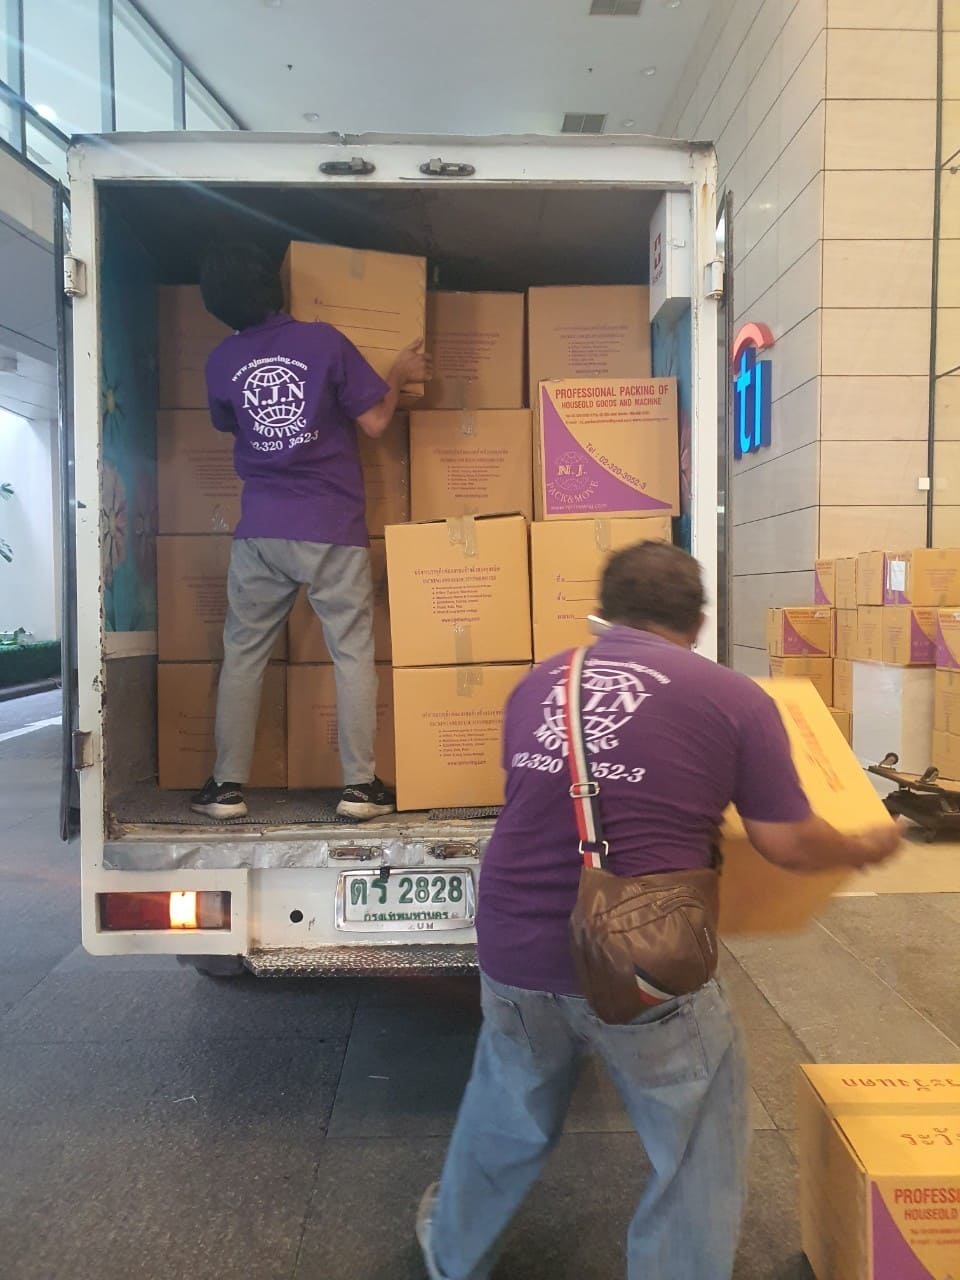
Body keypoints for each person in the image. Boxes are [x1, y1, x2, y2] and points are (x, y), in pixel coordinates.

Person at [417, 540, 902, 1280]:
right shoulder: (733, 698)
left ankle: (452, 1254)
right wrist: (864, 845)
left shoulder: (541, 682)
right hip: (644, 960)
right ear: (699, 622)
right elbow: (786, 843)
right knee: (697, 1140)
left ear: (605, 615)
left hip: (513, 944)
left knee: (504, 1109)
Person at [189, 242, 430, 822]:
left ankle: (226, 788)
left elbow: (229, 424)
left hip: (260, 531)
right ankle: (360, 788)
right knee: (351, 654)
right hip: (330, 526)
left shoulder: (221, 361)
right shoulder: (323, 342)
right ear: (277, 288)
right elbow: (375, 422)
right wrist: (398, 373)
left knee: (243, 655)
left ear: (217, 306)